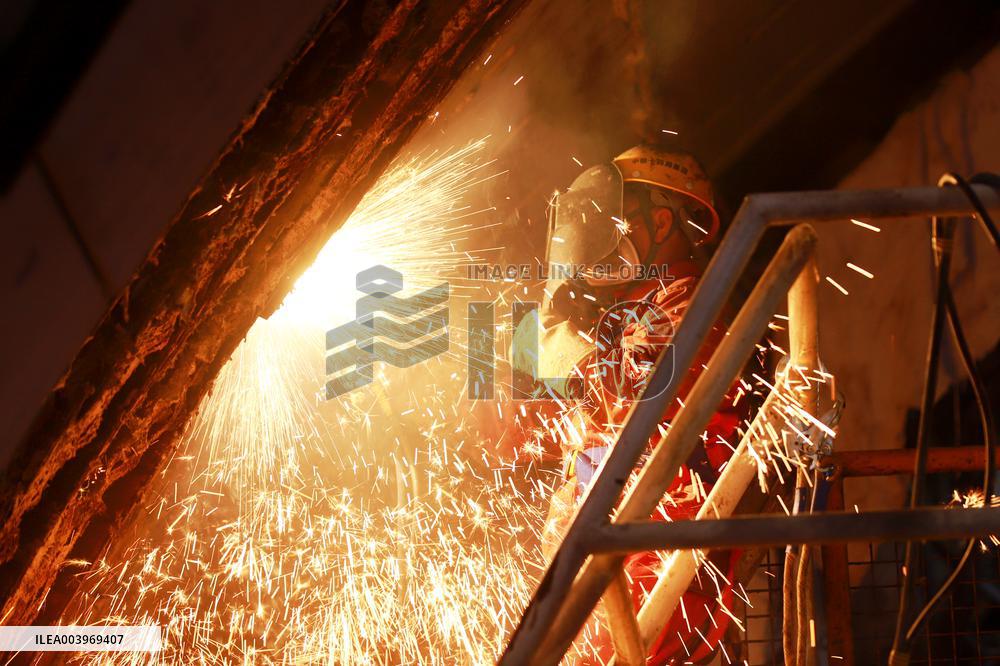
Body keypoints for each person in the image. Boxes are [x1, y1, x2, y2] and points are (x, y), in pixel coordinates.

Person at [513, 145, 751, 664]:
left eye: (613, 220)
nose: (601, 236)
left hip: (657, 551)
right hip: (611, 549)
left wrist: (570, 350)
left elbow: (637, 417)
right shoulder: (632, 310)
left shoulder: (692, 306)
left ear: (660, 222)